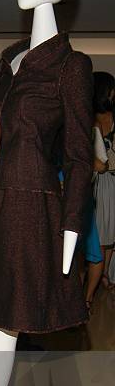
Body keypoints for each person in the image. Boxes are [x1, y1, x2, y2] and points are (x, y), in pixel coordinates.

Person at [92, 71, 115, 289]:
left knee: (111, 228)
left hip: (112, 179)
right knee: (98, 228)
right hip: (96, 181)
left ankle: (106, 272)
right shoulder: (88, 118)